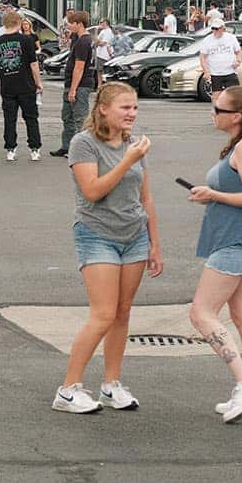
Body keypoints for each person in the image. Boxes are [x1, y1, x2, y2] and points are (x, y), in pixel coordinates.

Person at [53, 83, 162, 414]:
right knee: (103, 314)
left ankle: (111, 385)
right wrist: (128, 160)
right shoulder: (84, 143)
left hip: (134, 236)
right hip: (97, 233)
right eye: (125, 107)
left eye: (135, 108)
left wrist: (155, 244)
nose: (132, 114)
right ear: (103, 109)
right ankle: (68, 390)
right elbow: (93, 191)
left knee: (122, 312)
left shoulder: (133, 145)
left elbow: (146, 198)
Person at [184, 85, 242, 423]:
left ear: (237, 116)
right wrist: (212, 195)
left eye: (218, 110)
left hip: (236, 241)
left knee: (201, 313)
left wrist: (214, 194)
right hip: (238, 239)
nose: (213, 114)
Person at [0, 10, 43, 162]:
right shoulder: (26, 40)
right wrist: (38, 83)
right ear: (19, 23)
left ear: (4, 24)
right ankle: (34, 149)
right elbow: (33, 64)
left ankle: (10, 149)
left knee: (9, 119)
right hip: (26, 85)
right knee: (31, 118)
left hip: (7, 87)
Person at [51, 11, 97, 158]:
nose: (69, 26)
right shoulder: (80, 38)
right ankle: (67, 146)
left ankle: (81, 150)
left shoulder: (84, 42)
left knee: (80, 118)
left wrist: (73, 89)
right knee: (67, 117)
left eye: (71, 23)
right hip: (71, 83)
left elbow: (79, 67)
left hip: (80, 85)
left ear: (79, 24)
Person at [198, 15, 242, 94]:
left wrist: (238, 61)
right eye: (213, 29)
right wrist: (206, 71)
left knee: (233, 94)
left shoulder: (231, 38)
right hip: (215, 73)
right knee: (216, 95)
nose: (215, 31)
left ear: (223, 28)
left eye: (217, 29)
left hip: (230, 72)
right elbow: (202, 57)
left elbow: (238, 52)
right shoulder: (207, 40)